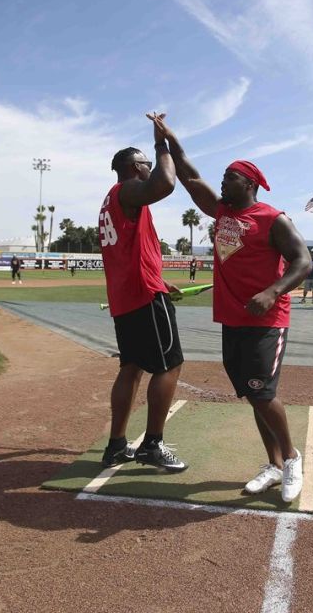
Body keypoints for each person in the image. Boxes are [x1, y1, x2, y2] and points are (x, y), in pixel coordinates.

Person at [154, 112, 311, 503]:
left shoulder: (273, 218)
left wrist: (273, 292)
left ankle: (291, 459)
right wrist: (168, 138)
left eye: (230, 176)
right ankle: (273, 465)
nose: (222, 181)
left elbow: (303, 261)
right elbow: (190, 178)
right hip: (233, 318)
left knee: (261, 392)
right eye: (223, 176)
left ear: (250, 183)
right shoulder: (222, 211)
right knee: (252, 393)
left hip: (267, 319)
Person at [97, 119, 188, 472]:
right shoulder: (128, 191)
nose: (150, 168)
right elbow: (165, 182)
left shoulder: (112, 201)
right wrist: (162, 145)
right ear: (136, 168)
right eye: (146, 164)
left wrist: (161, 280)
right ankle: (152, 445)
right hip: (143, 296)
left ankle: (117, 446)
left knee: (131, 368)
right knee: (170, 365)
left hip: (127, 296)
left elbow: (130, 253)